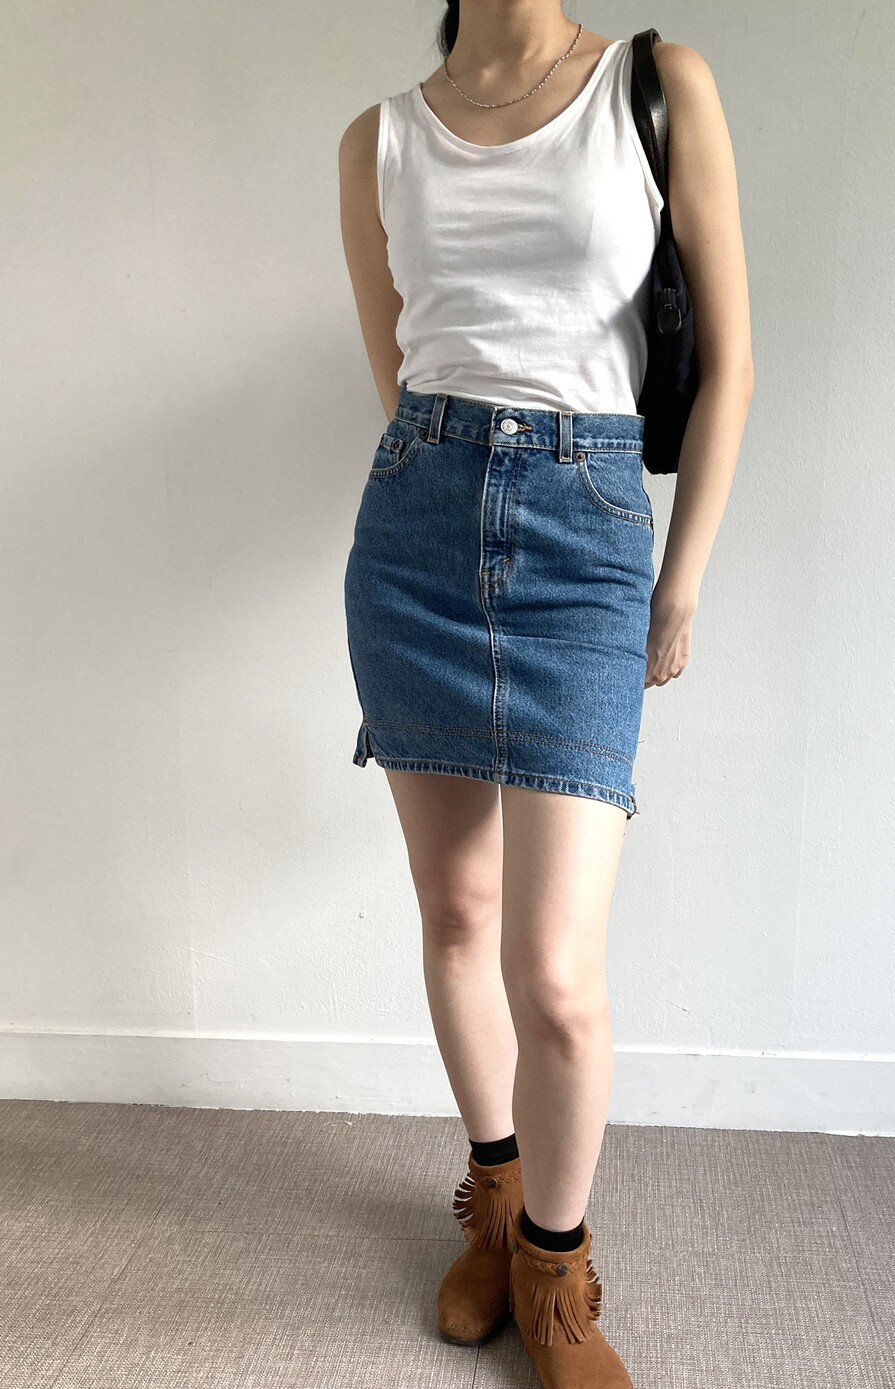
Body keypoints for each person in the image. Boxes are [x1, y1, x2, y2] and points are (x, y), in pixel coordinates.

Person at [339, 3, 752, 1384]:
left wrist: (678, 582)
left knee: (557, 978)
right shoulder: (376, 141)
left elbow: (732, 360)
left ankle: (557, 1270)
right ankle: (499, 1198)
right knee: (456, 912)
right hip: (416, 533)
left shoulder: (656, 83)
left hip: (589, 530)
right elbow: (397, 368)